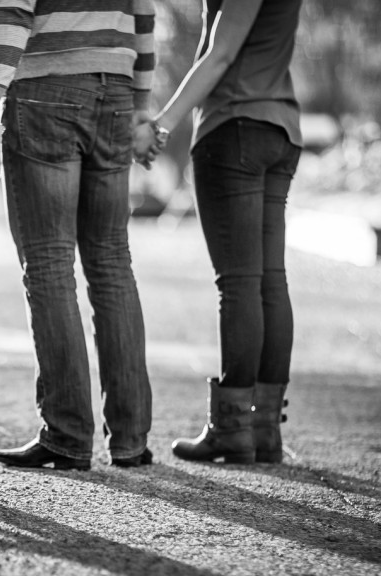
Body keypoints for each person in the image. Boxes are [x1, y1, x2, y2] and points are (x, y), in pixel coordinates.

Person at [0, 0, 157, 470]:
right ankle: (130, 439)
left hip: (47, 92)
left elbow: (13, 10)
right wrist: (141, 108)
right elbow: (145, 17)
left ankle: (68, 435)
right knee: (113, 264)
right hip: (116, 92)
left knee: (50, 267)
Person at [134, 0, 303, 464]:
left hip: (234, 128)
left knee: (241, 283)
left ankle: (232, 429)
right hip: (281, 128)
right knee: (270, 279)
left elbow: (221, 53)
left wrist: (162, 124)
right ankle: (264, 430)